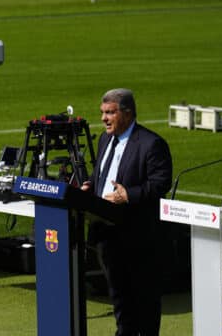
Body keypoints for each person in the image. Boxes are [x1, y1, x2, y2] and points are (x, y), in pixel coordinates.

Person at [81, 88, 173, 336]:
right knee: (120, 298)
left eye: (110, 113)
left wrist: (128, 195)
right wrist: (90, 185)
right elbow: (102, 173)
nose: (104, 118)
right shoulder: (104, 139)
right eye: (102, 113)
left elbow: (161, 182)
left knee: (144, 299)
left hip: (137, 236)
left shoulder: (151, 143)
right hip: (107, 233)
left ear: (128, 113)